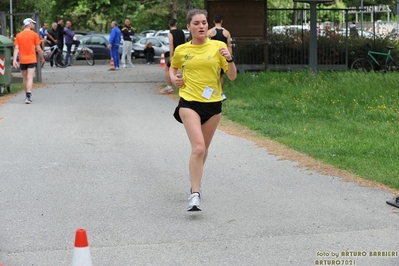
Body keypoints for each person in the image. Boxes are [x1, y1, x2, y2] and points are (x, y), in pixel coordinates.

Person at [169, 9, 237, 211]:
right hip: (189, 103)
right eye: (196, 23)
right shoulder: (182, 49)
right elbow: (173, 68)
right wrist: (174, 78)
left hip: (213, 105)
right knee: (198, 147)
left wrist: (230, 59)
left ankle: (195, 178)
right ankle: (195, 194)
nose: (201, 26)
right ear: (189, 27)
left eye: (204, 23)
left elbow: (232, 76)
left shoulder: (218, 46)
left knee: (203, 151)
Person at [12, 18, 45, 104]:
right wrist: (42, 57)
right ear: (29, 24)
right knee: (30, 77)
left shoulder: (19, 35)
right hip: (31, 59)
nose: (33, 25)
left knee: (25, 78)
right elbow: (38, 48)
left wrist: (14, 59)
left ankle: (26, 95)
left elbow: (16, 48)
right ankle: (28, 96)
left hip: (22, 60)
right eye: (33, 23)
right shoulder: (34, 35)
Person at [207, 14, 232, 101]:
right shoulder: (227, 33)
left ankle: (212, 93)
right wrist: (229, 57)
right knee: (220, 76)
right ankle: (221, 93)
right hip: (223, 56)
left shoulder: (210, 32)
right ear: (221, 21)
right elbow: (229, 46)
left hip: (212, 57)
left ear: (213, 21)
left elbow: (205, 45)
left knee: (212, 75)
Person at [161, 18, 186, 94]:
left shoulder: (170, 33)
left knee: (168, 69)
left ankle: (169, 87)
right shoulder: (182, 32)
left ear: (169, 25)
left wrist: (171, 55)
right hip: (183, 52)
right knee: (184, 69)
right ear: (176, 24)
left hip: (176, 53)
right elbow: (185, 42)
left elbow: (171, 43)